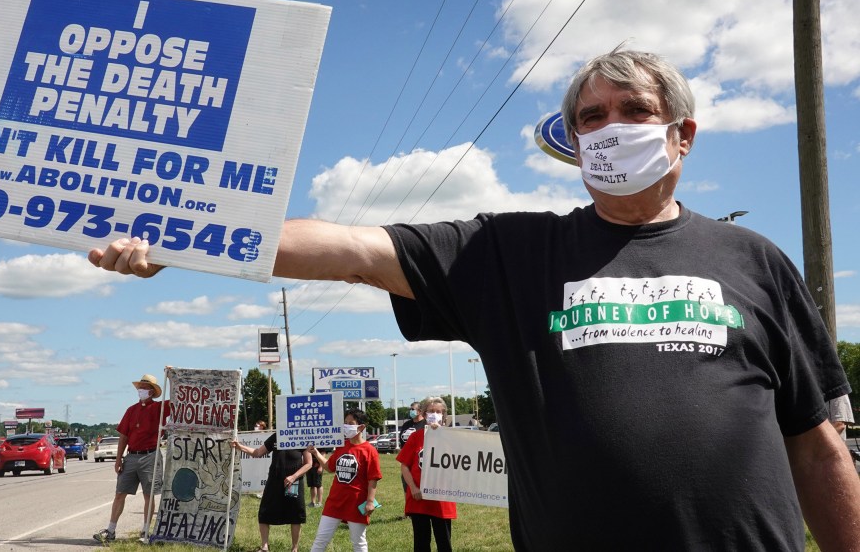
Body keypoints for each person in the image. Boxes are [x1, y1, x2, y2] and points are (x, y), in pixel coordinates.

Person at [89, 48, 860, 550]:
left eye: (634, 112)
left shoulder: (754, 261)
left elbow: (817, 447)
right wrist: (188, 238)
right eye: (591, 117)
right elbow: (354, 252)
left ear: (682, 136)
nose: (610, 129)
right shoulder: (511, 253)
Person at [93, 373, 169, 544]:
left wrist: (171, 377)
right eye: (140, 387)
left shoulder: (160, 408)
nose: (141, 390)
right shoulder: (131, 410)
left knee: (149, 495)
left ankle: (145, 531)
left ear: (152, 391)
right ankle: (110, 531)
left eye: (145, 387)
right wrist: (118, 458)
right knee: (120, 493)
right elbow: (124, 436)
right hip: (132, 456)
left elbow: (180, 399)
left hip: (151, 455)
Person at [307, 409, 381, 552]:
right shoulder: (341, 446)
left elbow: (373, 478)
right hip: (335, 502)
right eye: (345, 423)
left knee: (358, 542)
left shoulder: (369, 450)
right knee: (320, 540)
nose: (346, 426)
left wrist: (370, 502)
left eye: (350, 423)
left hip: (356, 502)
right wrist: (316, 452)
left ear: (361, 427)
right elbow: (329, 467)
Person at [231, 431, 312, 552]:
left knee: (295, 515)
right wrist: (239, 446)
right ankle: (264, 547)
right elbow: (258, 452)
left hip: (293, 482)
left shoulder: (302, 437)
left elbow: (308, 464)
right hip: (275, 480)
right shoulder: (276, 436)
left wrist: (294, 476)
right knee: (264, 513)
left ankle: (295, 548)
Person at [397, 397, 457, 552]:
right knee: (421, 543)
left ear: (444, 415)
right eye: (431, 411)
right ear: (424, 414)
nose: (434, 414)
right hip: (419, 498)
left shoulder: (452, 438)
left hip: (442, 498)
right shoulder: (415, 437)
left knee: (444, 542)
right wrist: (413, 487)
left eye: (438, 411)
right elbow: (404, 466)